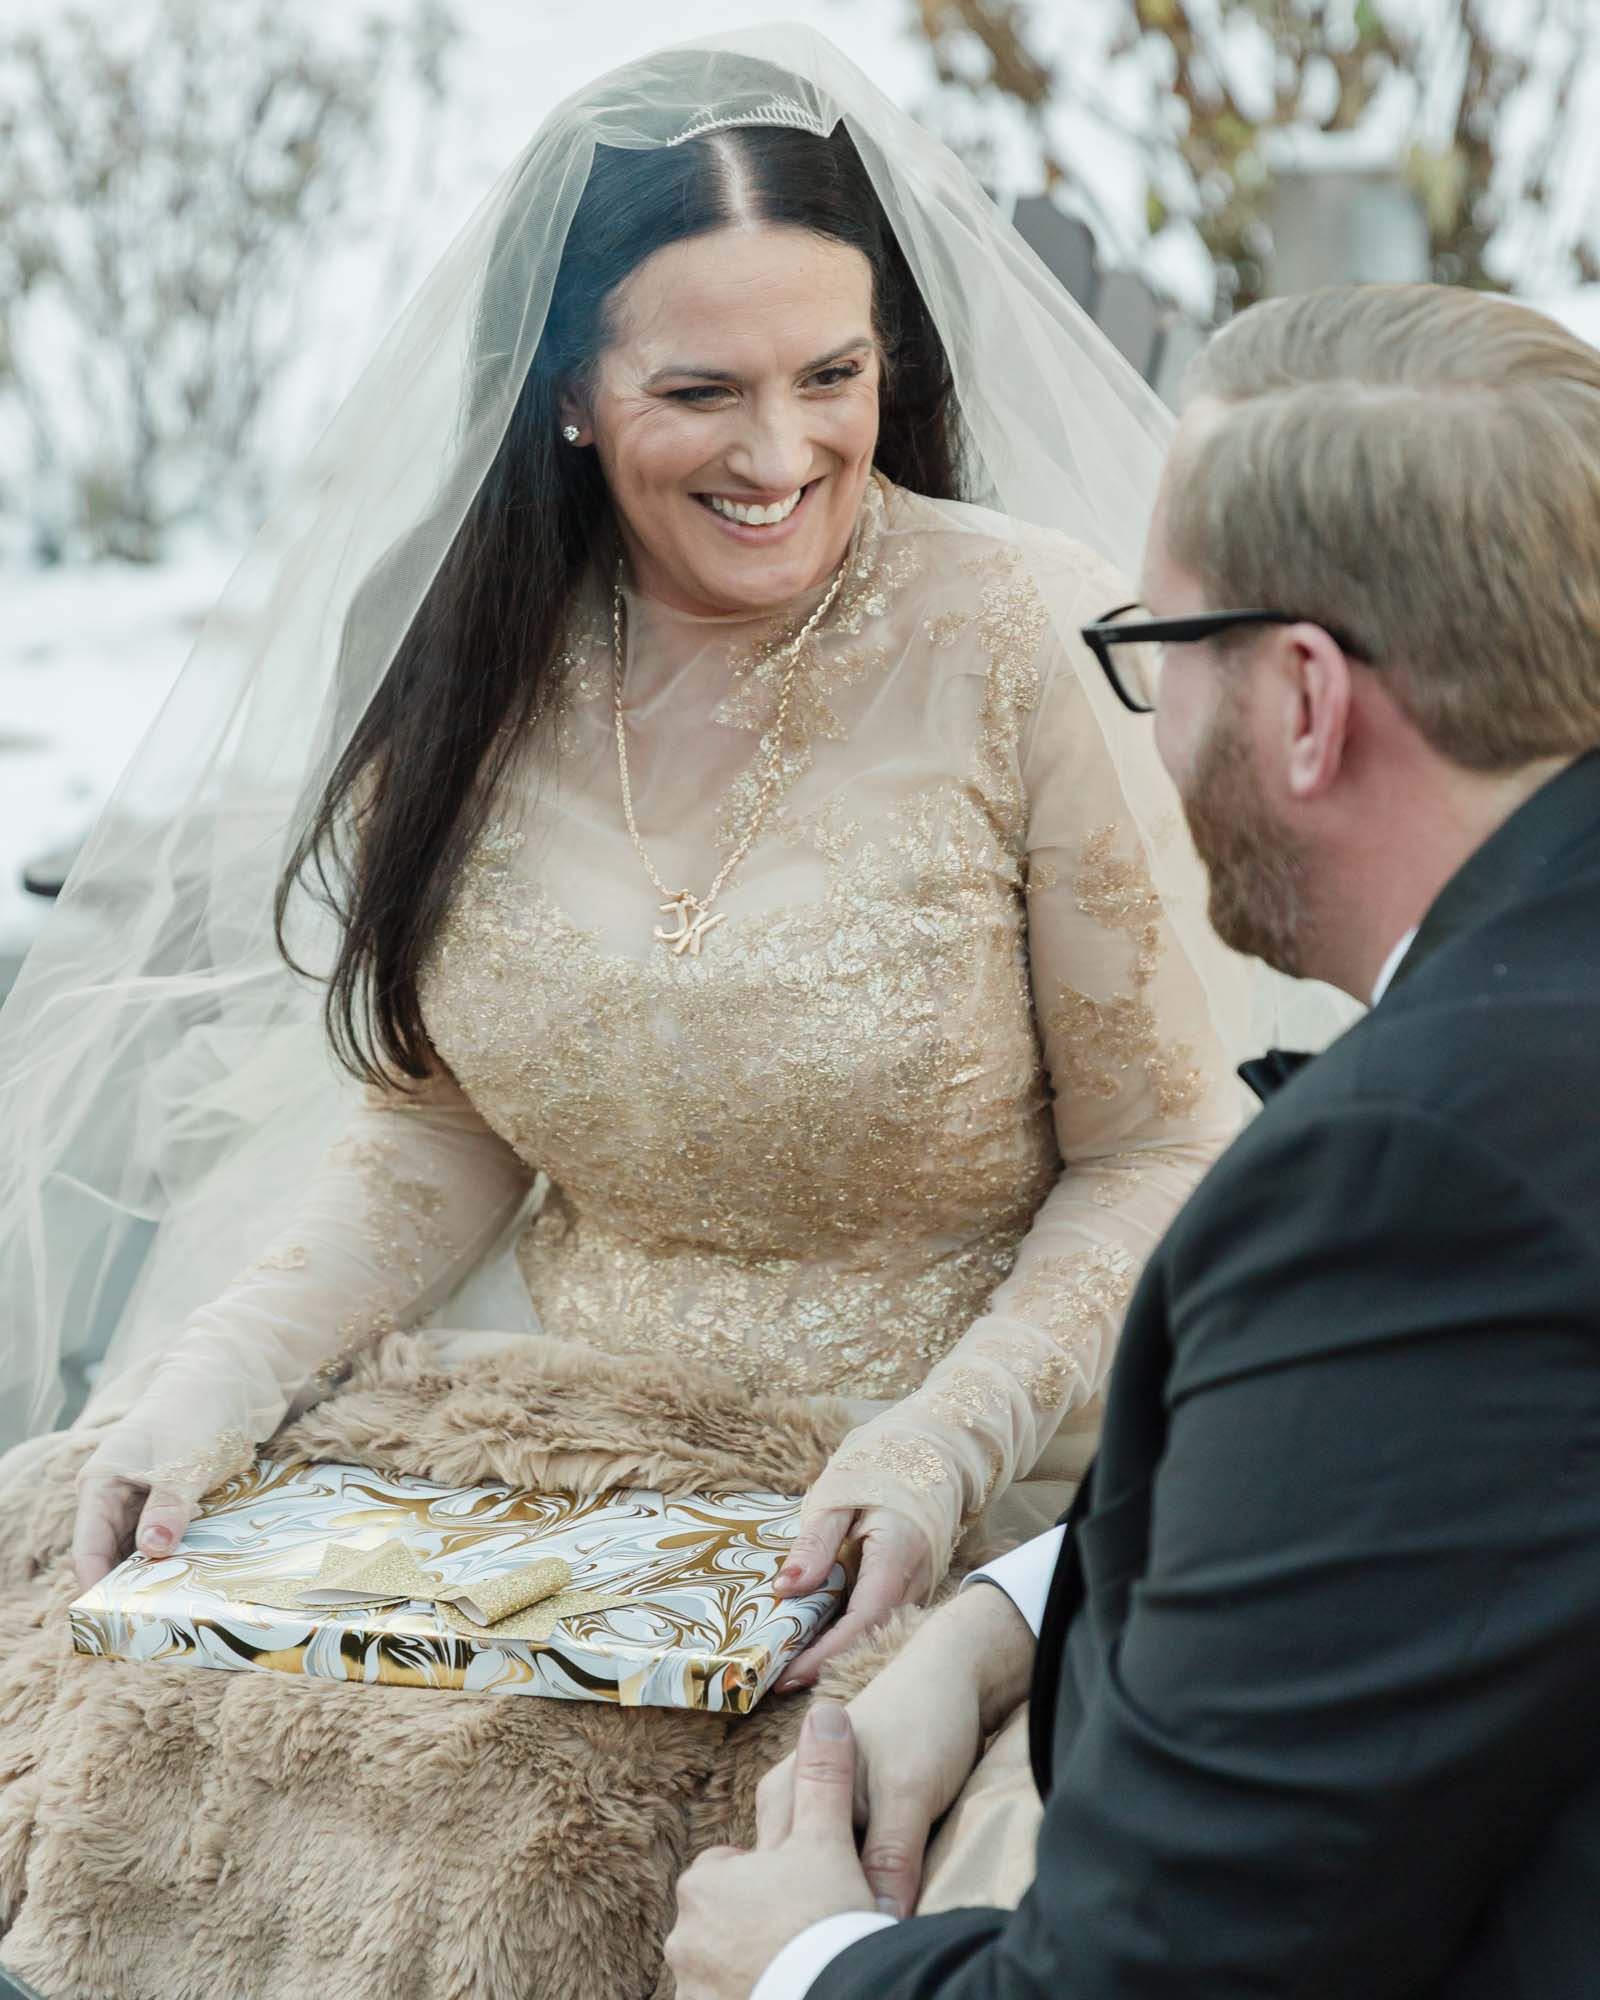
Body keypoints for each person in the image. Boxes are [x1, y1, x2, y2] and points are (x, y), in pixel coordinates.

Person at [0, 29, 1338, 2000]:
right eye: (697, 390)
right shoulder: (469, 669)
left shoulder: (1020, 641)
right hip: (551, 1475)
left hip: (924, 1478)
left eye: (832, 378)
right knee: (116, 1685)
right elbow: (440, 1125)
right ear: (563, 399)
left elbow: (1162, 1141)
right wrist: (209, 1371)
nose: (780, 452)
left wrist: (942, 1441)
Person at [665, 279, 1600, 1998]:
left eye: (1162, 653)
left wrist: (803, 1962)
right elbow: (1442, 1502)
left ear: (1306, 702)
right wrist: (1010, 1615)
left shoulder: (1420, 1174)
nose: (1152, 729)